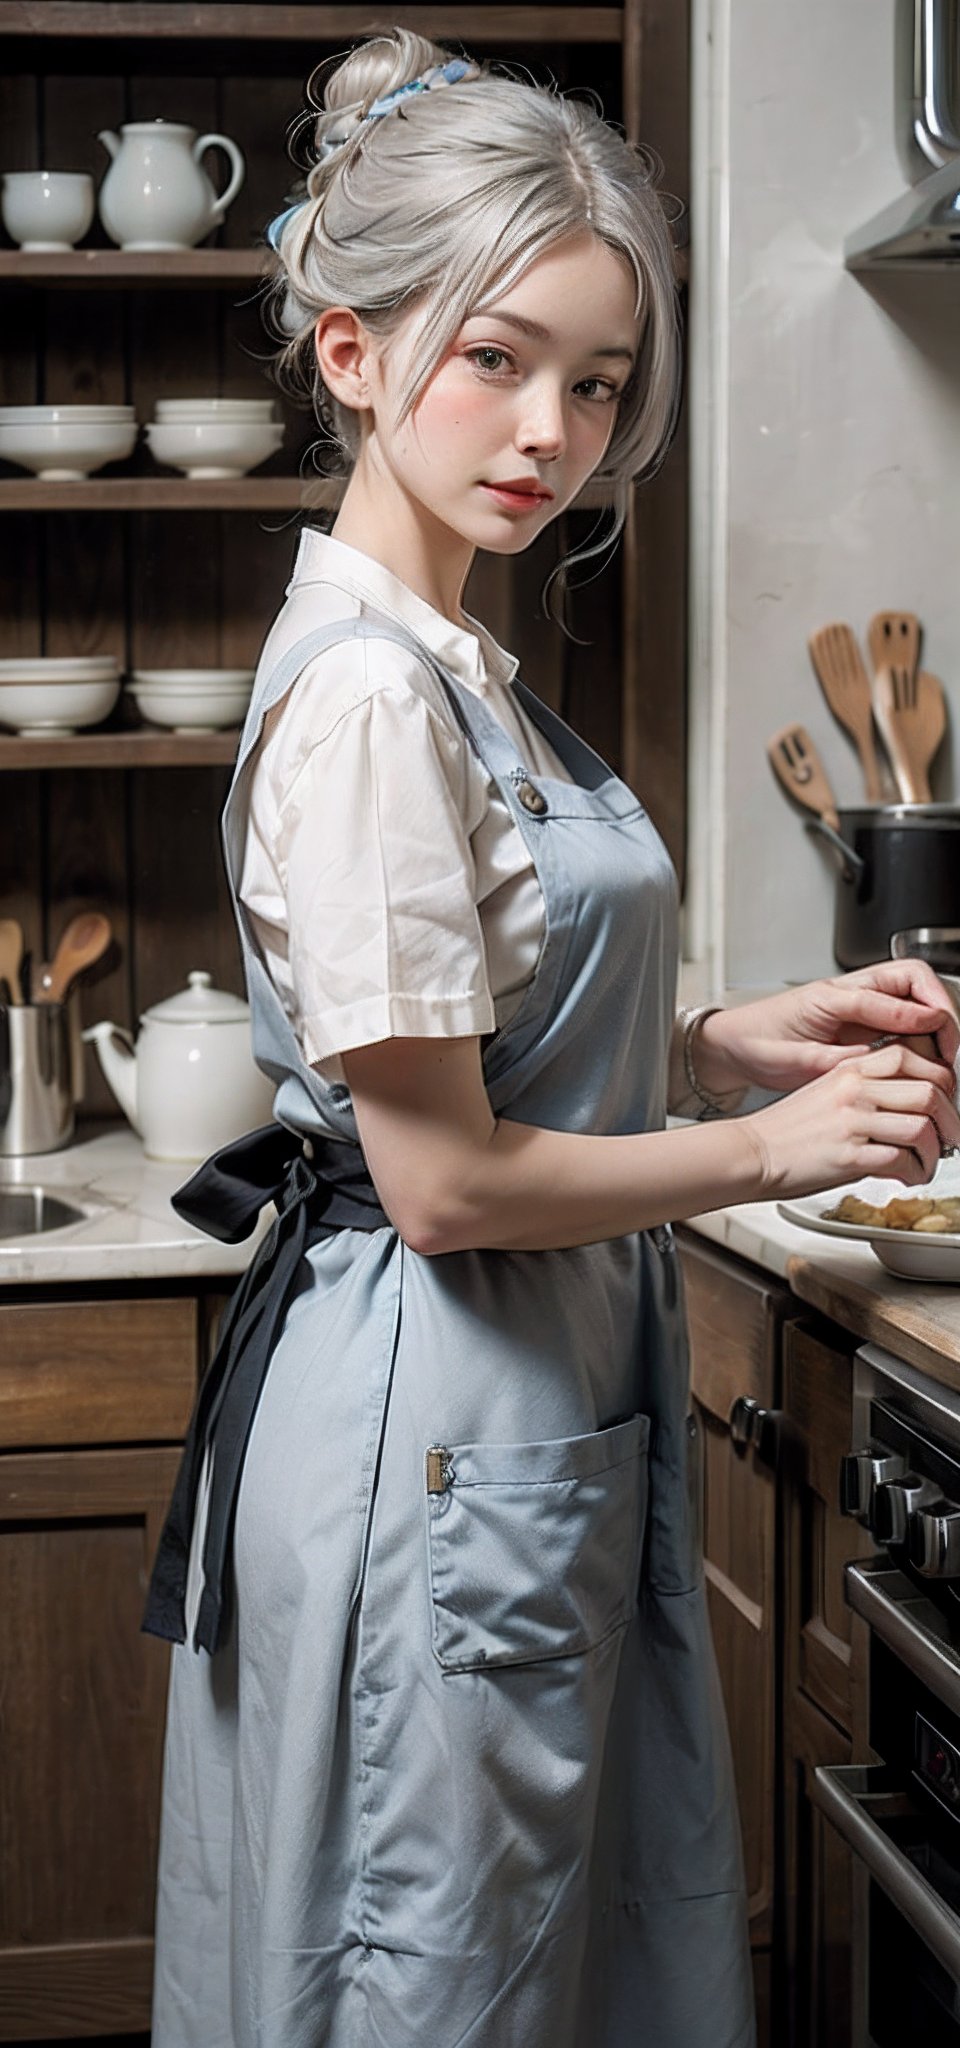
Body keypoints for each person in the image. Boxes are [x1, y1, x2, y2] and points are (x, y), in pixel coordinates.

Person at [145, 26, 960, 2048]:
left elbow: (477, 1034)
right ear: (352, 354)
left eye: (596, 384)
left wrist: (719, 1038)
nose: (552, 433)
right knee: (442, 1983)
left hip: (505, 1419)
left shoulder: (453, 667)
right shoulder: (370, 699)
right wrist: (781, 1153)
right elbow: (438, 1174)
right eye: (495, 359)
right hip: (441, 1414)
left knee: (526, 1956)